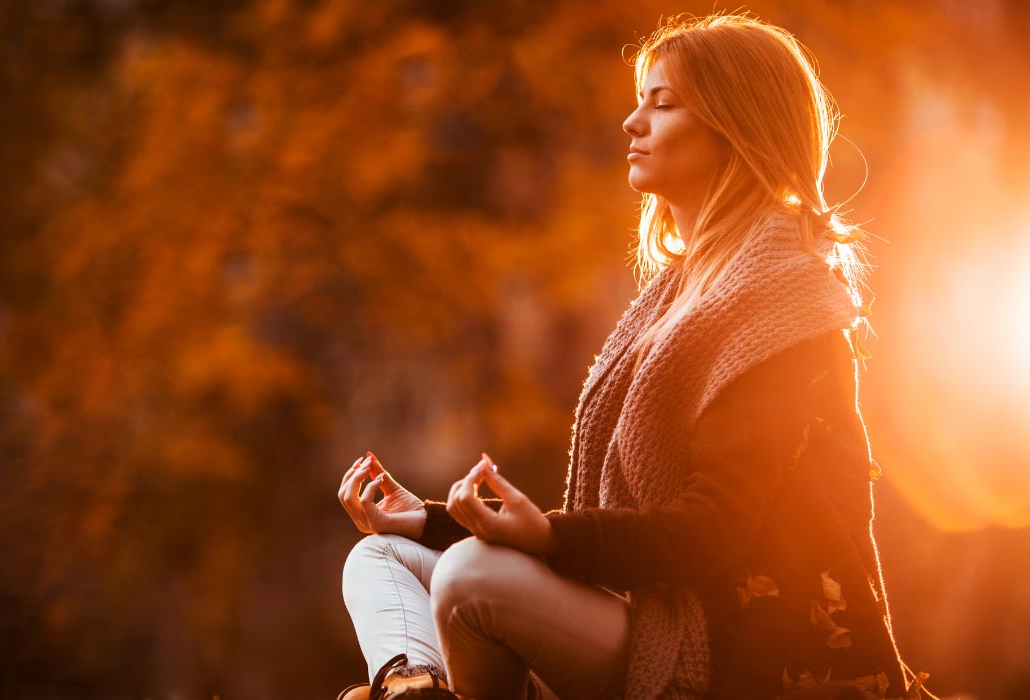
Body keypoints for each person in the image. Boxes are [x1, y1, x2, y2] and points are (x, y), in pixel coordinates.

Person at [336, 12, 925, 700]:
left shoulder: (785, 299)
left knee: (471, 580)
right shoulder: (678, 295)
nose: (631, 122)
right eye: (640, 99)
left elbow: (715, 534)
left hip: (729, 653)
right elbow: (616, 522)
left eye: (663, 102)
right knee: (380, 555)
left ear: (737, 125)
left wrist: (550, 538)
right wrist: (436, 520)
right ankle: (411, 688)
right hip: (637, 612)